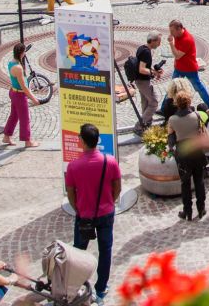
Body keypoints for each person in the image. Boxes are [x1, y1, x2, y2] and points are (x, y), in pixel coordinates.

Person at [66, 123, 122, 305]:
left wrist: (78, 209)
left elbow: (70, 193)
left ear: (81, 141)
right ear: (98, 140)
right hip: (105, 213)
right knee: (105, 250)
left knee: (78, 252)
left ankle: (77, 286)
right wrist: (109, 202)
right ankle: (101, 288)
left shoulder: (73, 166)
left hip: (84, 215)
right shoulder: (110, 161)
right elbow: (117, 187)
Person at [167, 92, 209, 221]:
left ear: (176, 103)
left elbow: (170, 138)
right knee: (199, 181)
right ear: (189, 102)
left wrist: (173, 149)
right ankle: (201, 208)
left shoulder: (172, 119)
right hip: (196, 150)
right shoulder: (196, 116)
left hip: (183, 153)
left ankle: (187, 211)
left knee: (185, 183)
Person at [2, 42, 39, 148]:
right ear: (22, 53)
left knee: (14, 115)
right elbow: (24, 87)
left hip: (13, 92)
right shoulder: (18, 68)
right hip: (19, 95)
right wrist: (33, 98)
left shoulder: (11, 62)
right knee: (25, 118)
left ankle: (6, 136)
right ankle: (28, 141)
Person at [169, 20, 209, 108]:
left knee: (198, 87)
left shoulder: (187, 39)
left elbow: (177, 55)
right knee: (173, 87)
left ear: (179, 29)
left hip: (189, 69)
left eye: (172, 31)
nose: (170, 33)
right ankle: (165, 108)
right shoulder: (177, 35)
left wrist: (171, 43)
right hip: (179, 68)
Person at [132, 33, 163, 134]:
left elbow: (143, 66)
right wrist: (154, 73)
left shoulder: (142, 48)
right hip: (143, 81)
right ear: (152, 41)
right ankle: (139, 126)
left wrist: (153, 71)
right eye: (158, 41)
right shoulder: (146, 52)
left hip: (140, 80)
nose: (159, 44)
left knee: (145, 102)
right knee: (154, 103)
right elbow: (141, 69)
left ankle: (146, 123)